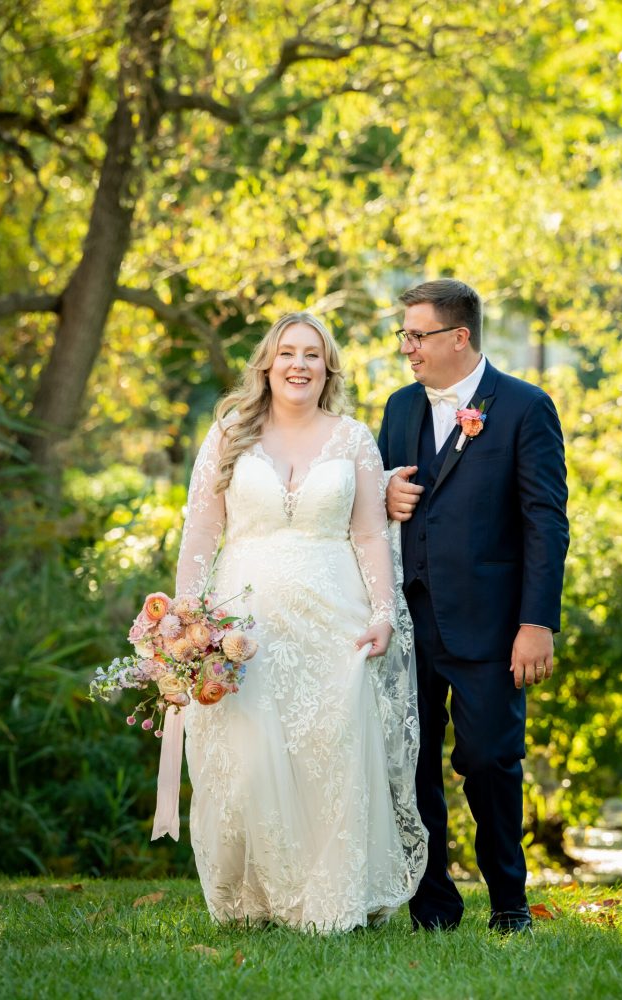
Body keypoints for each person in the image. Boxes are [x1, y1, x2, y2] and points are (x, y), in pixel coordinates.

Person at [152, 312, 426, 931]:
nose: (298, 364)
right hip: (243, 623)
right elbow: (201, 528)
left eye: (311, 354)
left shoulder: (353, 438)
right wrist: (185, 616)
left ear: (327, 366)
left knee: (325, 755)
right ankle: (255, 902)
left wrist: (383, 614)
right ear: (267, 365)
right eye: (287, 353)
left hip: (335, 619)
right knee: (247, 757)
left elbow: (367, 533)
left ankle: (329, 902)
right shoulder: (230, 434)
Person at [378, 279, 569, 934]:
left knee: (488, 760)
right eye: (403, 335)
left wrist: (537, 622)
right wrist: (383, 495)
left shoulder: (523, 407)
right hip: (410, 618)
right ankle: (432, 908)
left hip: (491, 625)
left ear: (459, 337)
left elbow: (546, 521)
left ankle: (509, 903)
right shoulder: (400, 408)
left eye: (417, 335)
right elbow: (378, 501)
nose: (407, 348)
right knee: (415, 762)